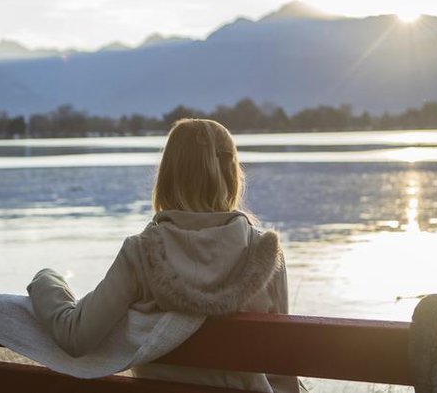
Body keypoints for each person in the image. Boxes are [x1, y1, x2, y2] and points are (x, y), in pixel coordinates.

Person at [27, 119, 299, 393]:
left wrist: (45, 280)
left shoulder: (141, 253)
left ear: (168, 174)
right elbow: (282, 364)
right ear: (231, 174)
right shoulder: (264, 252)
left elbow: (77, 336)